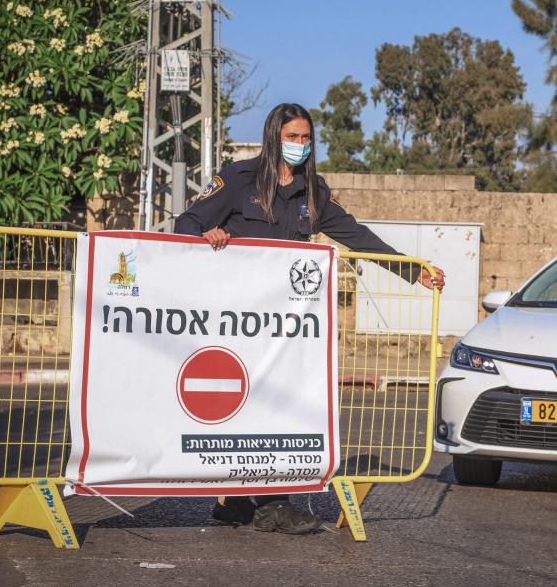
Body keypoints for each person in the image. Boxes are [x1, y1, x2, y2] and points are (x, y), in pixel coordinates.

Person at [174, 102, 445, 535]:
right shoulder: (238, 179)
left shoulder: (313, 191)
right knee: (255, 405)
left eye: (305, 138)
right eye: (292, 137)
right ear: (273, 137)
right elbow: (186, 223)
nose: (299, 145)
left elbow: (358, 236)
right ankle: (272, 504)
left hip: (286, 326)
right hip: (237, 320)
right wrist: (208, 235)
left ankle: (241, 500)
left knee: (275, 404)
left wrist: (413, 271)